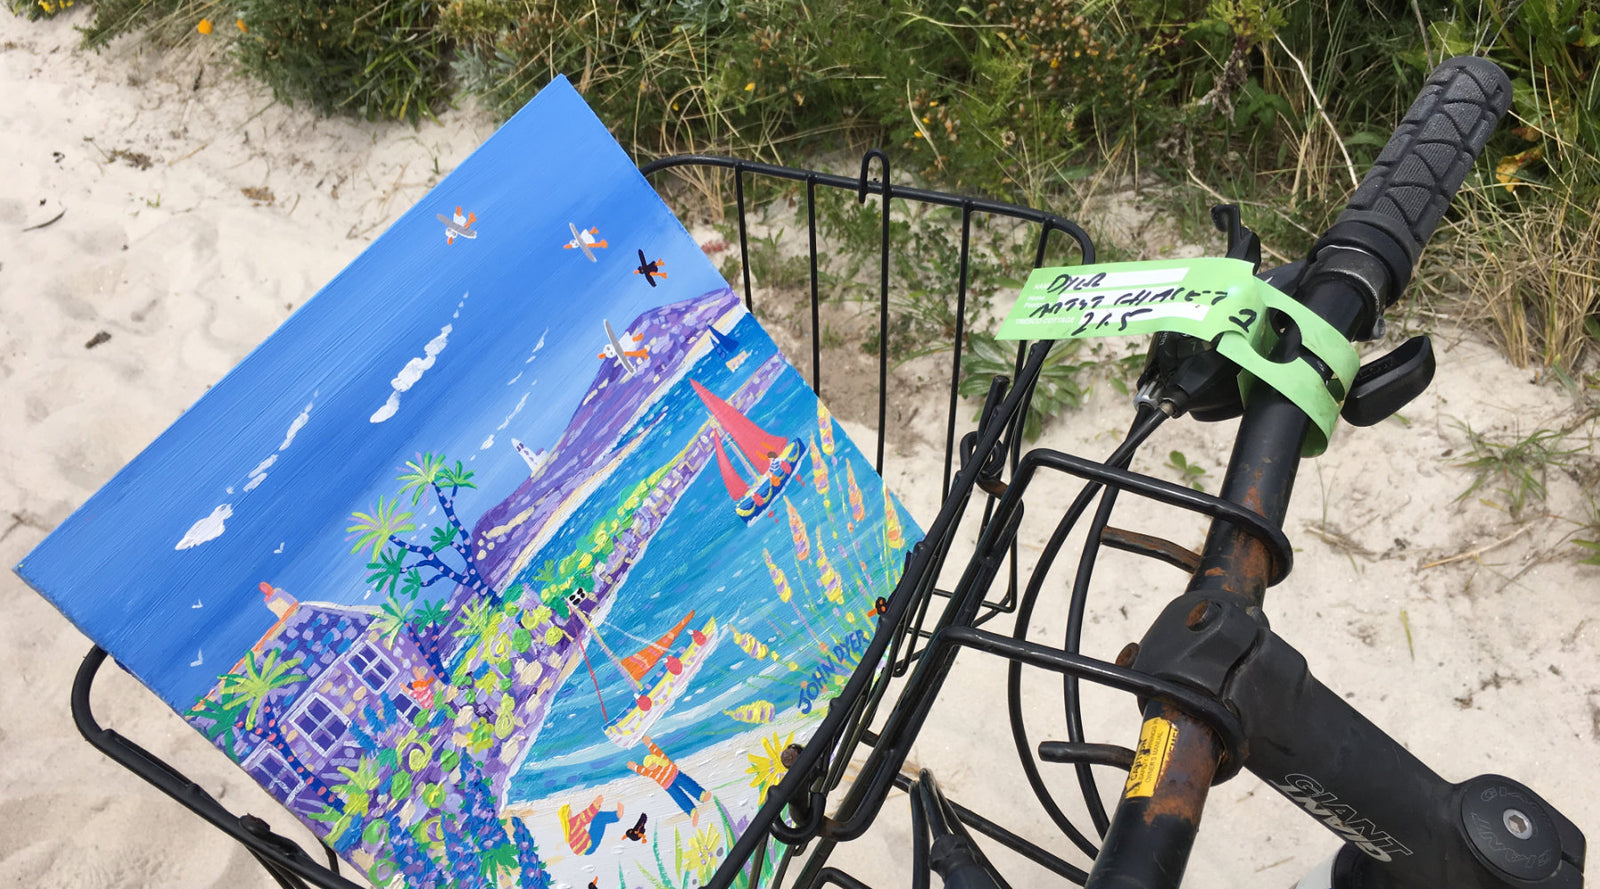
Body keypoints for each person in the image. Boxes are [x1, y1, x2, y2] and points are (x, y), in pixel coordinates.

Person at [626, 734, 710, 817]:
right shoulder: (650, 771)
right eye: (649, 766)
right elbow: (643, 770)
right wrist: (635, 767)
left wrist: (649, 744)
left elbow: (656, 751)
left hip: (676, 774)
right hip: (668, 785)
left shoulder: (662, 759)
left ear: (655, 761)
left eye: (652, 764)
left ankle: (701, 795)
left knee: (688, 784)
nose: (652, 767)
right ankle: (692, 812)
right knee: (679, 797)